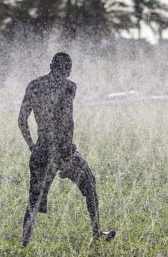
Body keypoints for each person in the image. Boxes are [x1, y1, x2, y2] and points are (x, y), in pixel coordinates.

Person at [18, 52, 115, 247]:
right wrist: (66, 153)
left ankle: (24, 243)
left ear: (51, 65)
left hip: (41, 148)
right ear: (68, 70)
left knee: (34, 200)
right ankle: (96, 232)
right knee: (90, 185)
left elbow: (22, 120)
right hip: (63, 149)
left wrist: (32, 146)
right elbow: (66, 121)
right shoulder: (69, 87)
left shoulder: (34, 85)